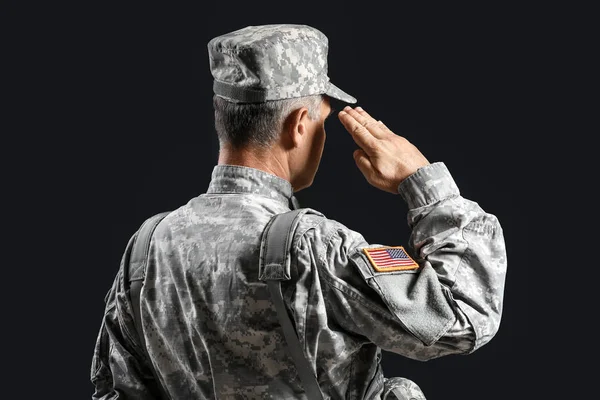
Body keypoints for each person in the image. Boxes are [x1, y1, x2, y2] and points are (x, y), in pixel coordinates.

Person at [90, 24, 507, 400]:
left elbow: (115, 390)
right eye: (323, 121)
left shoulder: (147, 245)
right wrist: (425, 185)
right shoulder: (316, 247)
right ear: (300, 124)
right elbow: (464, 318)